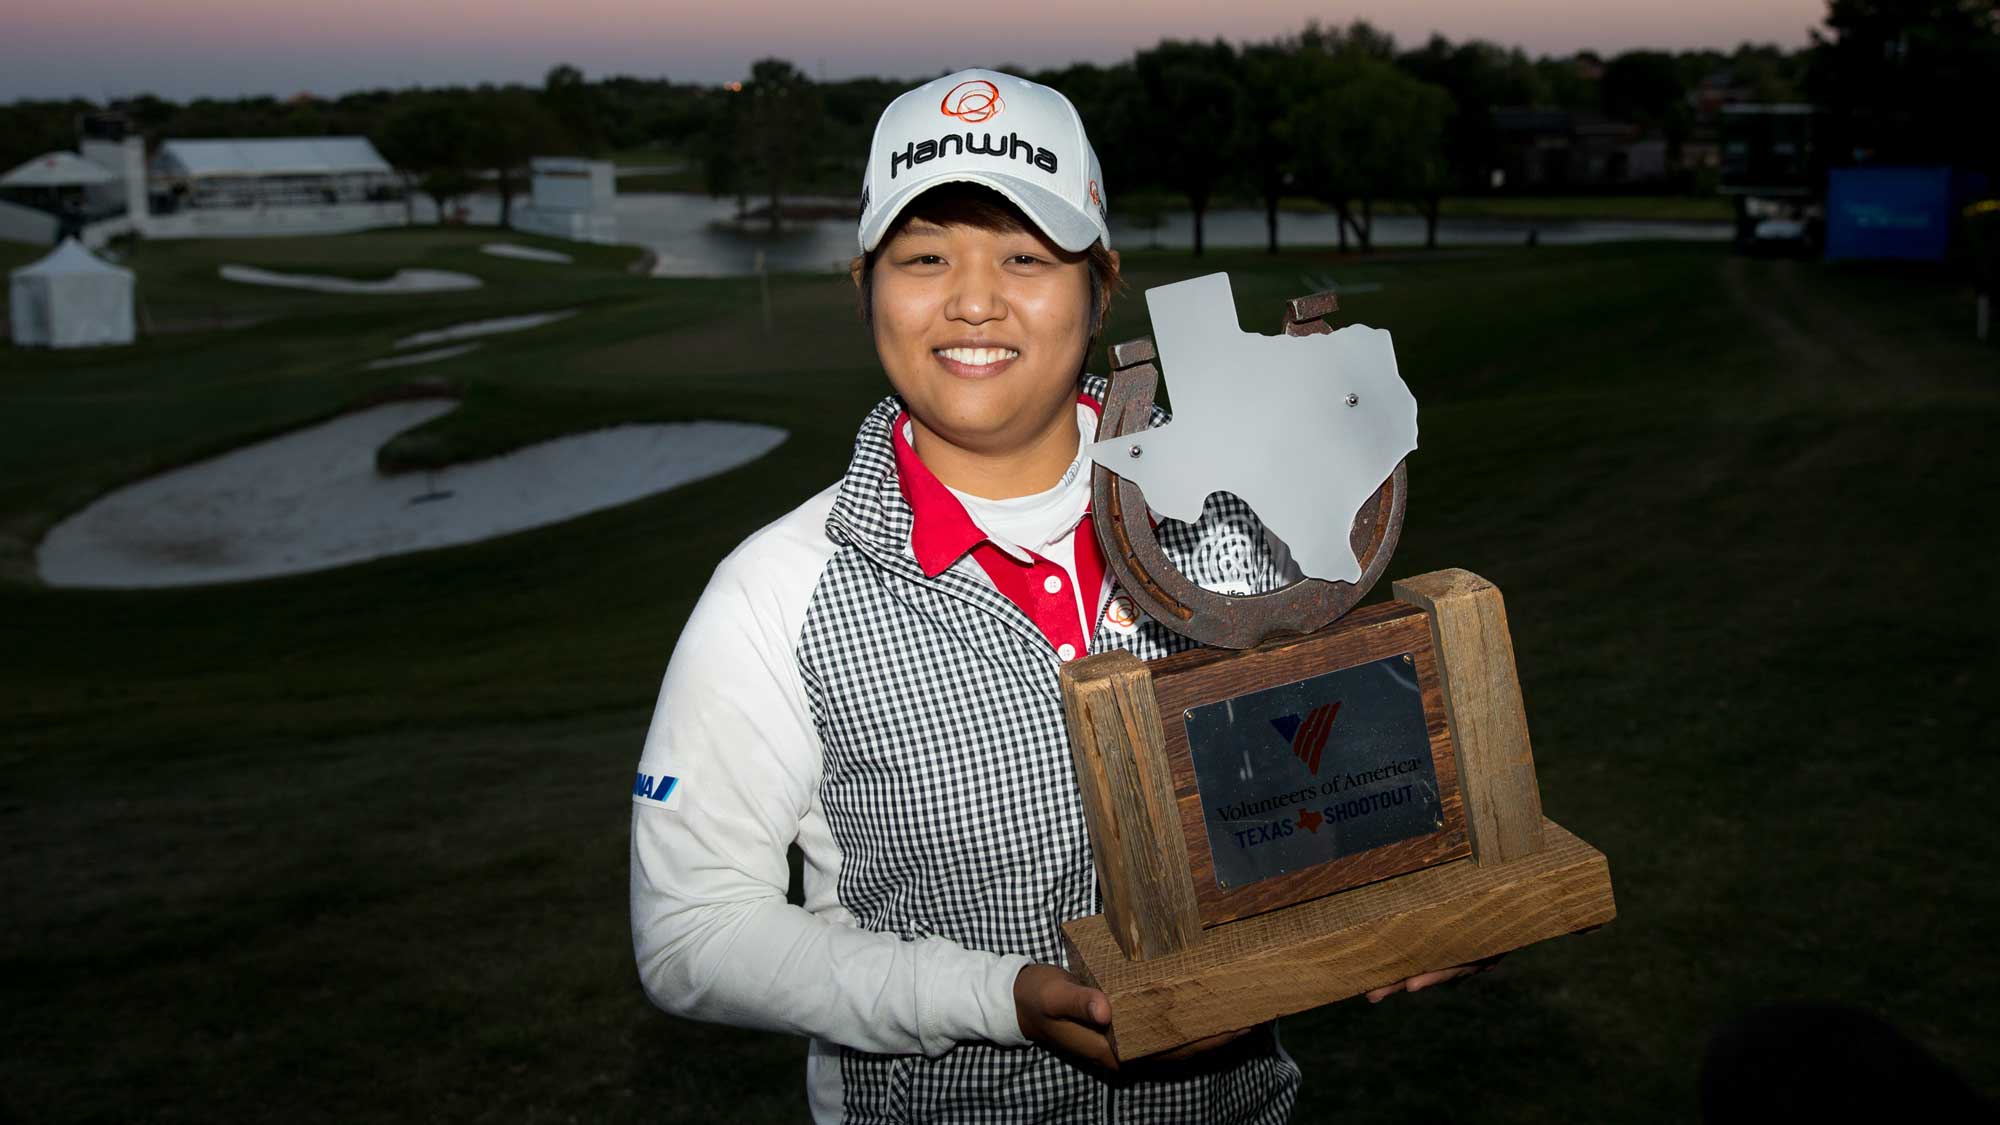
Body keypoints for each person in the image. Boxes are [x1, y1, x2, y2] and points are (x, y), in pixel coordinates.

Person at [630, 68, 1477, 1123]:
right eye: (923, 256)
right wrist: (1005, 998)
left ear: (1100, 284)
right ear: (863, 284)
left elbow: (1323, 771)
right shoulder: (775, 593)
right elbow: (692, 936)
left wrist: (1416, 889)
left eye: (1025, 257)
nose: (972, 299)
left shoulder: (1236, 515)